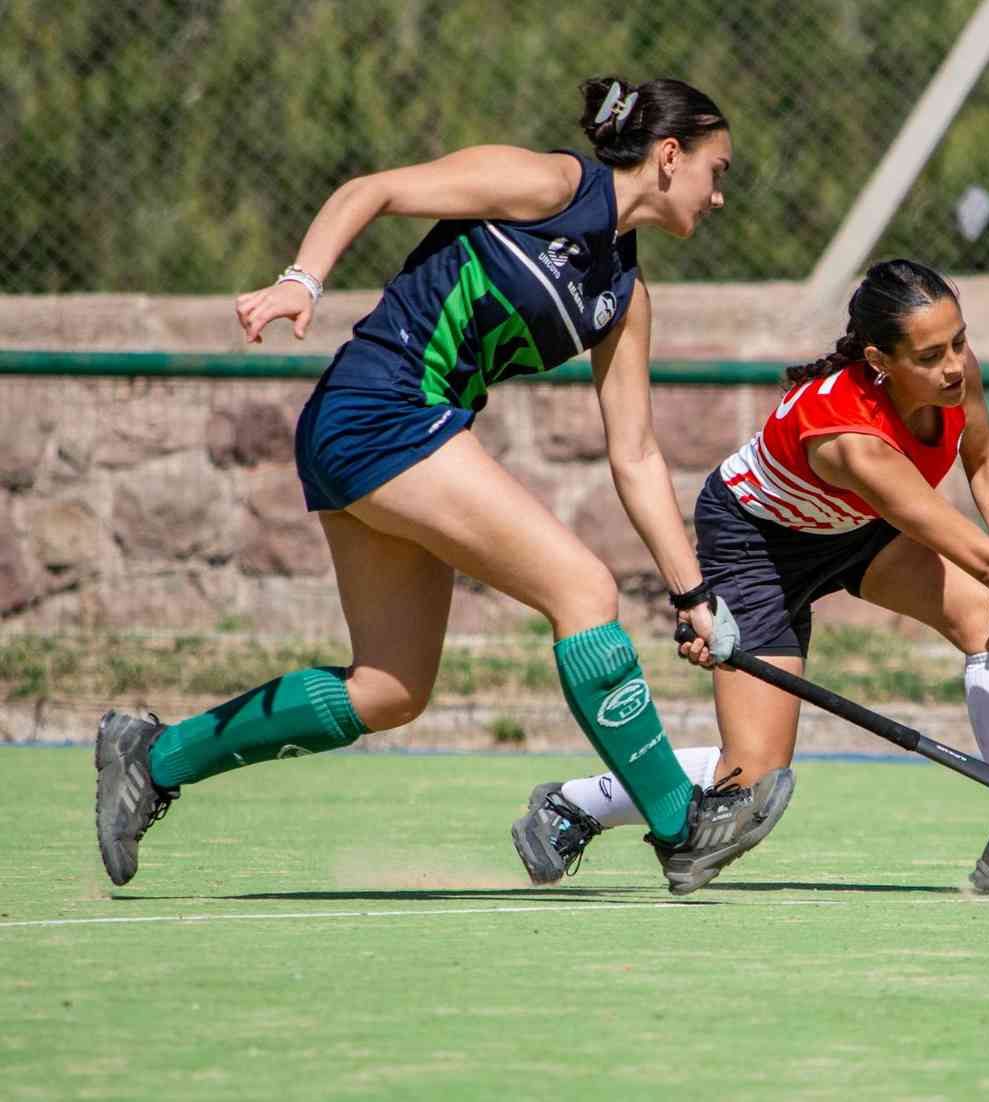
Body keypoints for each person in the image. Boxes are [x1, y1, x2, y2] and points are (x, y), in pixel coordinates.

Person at [93, 76, 791, 896]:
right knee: (583, 590)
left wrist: (694, 596)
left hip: (397, 430)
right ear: (670, 156)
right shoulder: (550, 184)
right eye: (717, 171)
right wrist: (301, 281)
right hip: (379, 410)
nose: (719, 195)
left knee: (389, 690)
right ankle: (680, 826)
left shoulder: (624, 298)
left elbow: (634, 455)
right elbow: (373, 190)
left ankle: (154, 757)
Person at [512, 258, 989, 897]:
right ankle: (578, 803)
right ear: (879, 360)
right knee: (753, 779)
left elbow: (985, 459)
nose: (953, 366)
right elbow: (984, 562)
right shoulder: (851, 442)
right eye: (929, 356)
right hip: (758, 545)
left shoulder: (954, 373)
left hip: (857, 528)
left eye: (959, 342)